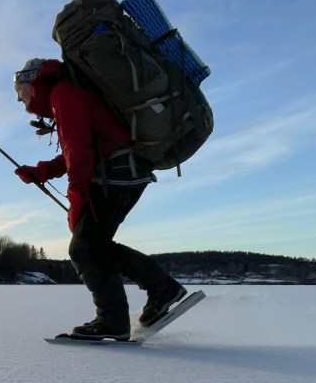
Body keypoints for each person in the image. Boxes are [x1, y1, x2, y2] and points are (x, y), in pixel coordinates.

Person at [12, 57, 186, 339]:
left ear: (34, 83)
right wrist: (42, 171)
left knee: (84, 248)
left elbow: (79, 150)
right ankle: (160, 289)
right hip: (125, 169)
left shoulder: (63, 94)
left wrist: (78, 195)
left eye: (20, 90)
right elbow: (79, 148)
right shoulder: (68, 93)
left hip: (117, 173)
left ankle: (115, 320)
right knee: (95, 246)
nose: (19, 98)